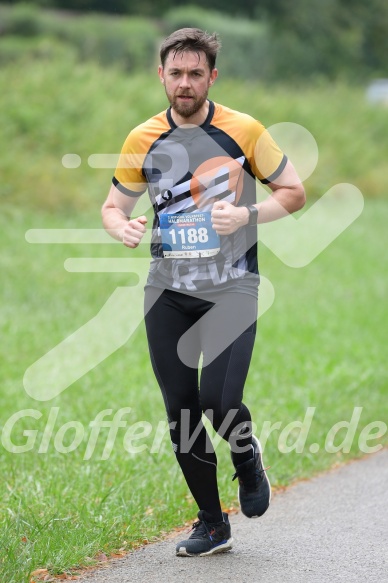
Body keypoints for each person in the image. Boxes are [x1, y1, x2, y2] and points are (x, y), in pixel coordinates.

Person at [102, 28, 305, 557]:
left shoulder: (245, 131)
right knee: (182, 414)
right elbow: (112, 207)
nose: (185, 83)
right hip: (167, 291)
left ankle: (246, 458)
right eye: (176, 73)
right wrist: (119, 228)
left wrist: (248, 213)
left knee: (218, 399)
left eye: (196, 74)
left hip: (232, 286)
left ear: (212, 76)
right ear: (162, 76)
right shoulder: (141, 138)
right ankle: (213, 524)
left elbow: (294, 192)